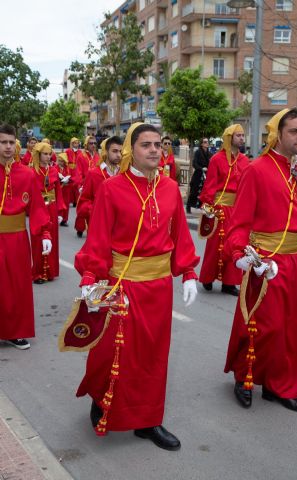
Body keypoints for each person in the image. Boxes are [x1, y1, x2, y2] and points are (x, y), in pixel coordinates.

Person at [73, 122, 199, 450]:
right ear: (131, 150)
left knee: (152, 356)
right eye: (147, 145)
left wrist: (187, 272)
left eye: (159, 144)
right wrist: (91, 280)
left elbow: (180, 235)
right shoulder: (112, 189)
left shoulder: (171, 188)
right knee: (111, 352)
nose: (155, 149)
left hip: (158, 288)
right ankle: (101, 398)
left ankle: (148, 421)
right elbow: (98, 239)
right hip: (121, 286)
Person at [223, 108, 297, 413]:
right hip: (267, 263)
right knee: (262, 325)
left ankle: (281, 386)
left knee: (292, 328)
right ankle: (245, 377)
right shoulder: (258, 169)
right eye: (294, 131)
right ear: (277, 134)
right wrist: (239, 255)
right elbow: (239, 222)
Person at [0, 125, 51, 350]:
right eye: (3, 142)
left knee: (18, 286)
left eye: (11, 142)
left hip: (18, 238)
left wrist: (45, 233)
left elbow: (38, 208)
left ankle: (16, 332)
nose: (8, 147)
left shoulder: (27, 174)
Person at [198, 125, 249, 296]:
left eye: (243, 135)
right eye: (238, 135)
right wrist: (207, 205)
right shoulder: (216, 159)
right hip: (219, 208)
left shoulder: (244, 161)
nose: (242, 138)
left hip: (237, 209)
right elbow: (210, 185)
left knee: (235, 244)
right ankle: (207, 278)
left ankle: (230, 282)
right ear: (229, 138)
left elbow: (247, 187)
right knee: (214, 246)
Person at [31, 142, 65, 284]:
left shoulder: (53, 170)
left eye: (49, 153)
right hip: (38, 208)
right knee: (39, 239)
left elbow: (58, 191)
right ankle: (38, 273)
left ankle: (50, 272)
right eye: (44, 154)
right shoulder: (32, 171)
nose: (47, 156)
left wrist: (60, 210)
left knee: (52, 240)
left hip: (51, 206)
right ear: (38, 155)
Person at [76, 136, 122, 229]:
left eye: (121, 152)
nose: (119, 155)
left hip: (119, 228)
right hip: (98, 227)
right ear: (105, 152)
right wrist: (98, 210)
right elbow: (82, 205)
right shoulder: (93, 174)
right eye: (115, 151)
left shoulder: (123, 173)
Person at [74, 135, 100, 238]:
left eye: (94, 143)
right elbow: (78, 172)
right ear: (86, 144)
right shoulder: (81, 156)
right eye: (91, 143)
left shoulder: (99, 156)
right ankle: (80, 228)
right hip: (84, 185)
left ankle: (92, 228)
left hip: (95, 186)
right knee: (83, 208)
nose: (93, 145)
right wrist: (80, 185)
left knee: (93, 209)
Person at [186, 138, 211, 213]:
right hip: (198, 174)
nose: (207, 143)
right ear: (201, 144)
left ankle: (203, 207)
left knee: (205, 192)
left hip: (206, 175)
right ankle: (189, 206)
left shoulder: (209, 154)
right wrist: (201, 168)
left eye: (207, 142)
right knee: (194, 191)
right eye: (205, 142)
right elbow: (194, 163)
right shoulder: (198, 152)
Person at [55, 152, 72, 226]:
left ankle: (64, 220)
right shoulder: (55, 168)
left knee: (66, 204)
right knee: (58, 203)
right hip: (58, 189)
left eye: (62, 161)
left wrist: (68, 179)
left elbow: (72, 177)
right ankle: (57, 218)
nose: (60, 162)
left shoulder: (67, 169)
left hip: (66, 189)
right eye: (59, 160)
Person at [65, 137, 81, 207]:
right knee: (69, 185)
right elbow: (65, 160)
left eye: (77, 143)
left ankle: (76, 201)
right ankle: (69, 200)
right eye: (74, 143)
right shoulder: (68, 151)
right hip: (70, 170)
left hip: (76, 170)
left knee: (76, 185)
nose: (76, 144)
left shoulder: (80, 152)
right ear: (71, 143)